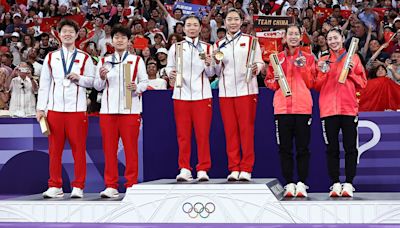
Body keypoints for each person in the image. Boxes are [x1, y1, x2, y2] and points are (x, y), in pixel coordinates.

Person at [36, 19, 95, 199]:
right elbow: (44, 84)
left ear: (77, 35)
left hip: (76, 110)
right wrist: (41, 108)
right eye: (64, 31)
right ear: (59, 35)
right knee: (54, 150)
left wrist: (80, 78)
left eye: (71, 31)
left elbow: (93, 82)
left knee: (78, 149)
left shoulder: (85, 57)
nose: (67, 34)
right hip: (54, 110)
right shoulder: (51, 57)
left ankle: (78, 185)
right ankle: (55, 185)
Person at [94, 25, 148, 198]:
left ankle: (131, 184)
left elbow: (145, 82)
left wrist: (137, 87)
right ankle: (111, 185)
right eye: (116, 37)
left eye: (123, 38)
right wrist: (102, 78)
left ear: (128, 41)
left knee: (131, 149)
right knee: (109, 149)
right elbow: (97, 86)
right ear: (112, 40)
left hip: (130, 110)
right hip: (108, 111)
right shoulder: (104, 61)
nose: (119, 40)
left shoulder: (136, 60)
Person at [315, 28, 367, 197]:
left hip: (348, 108)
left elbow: (363, 83)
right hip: (328, 110)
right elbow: (315, 85)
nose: (333, 41)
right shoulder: (323, 60)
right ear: (326, 41)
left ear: (343, 38)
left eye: (335, 37)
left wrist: (351, 72)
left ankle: (349, 183)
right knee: (332, 148)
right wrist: (322, 73)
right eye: (329, 38)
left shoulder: (353, 58)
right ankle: (335, 183)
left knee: (350, 148)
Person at [213, 8, 264, 181]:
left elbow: (260, 62)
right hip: (226, 92)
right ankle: (234, 168)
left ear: (241, 22)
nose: (233, 22)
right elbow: (216, 71)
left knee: (246, 130)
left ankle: (246, 168)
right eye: (230, 19)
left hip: (247, 90)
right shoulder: (218, 45)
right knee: (230, 131)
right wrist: (216, 62)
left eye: (236, 19)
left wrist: (258, 68)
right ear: (224, 22)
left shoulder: (251, 41)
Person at [265, 25, 316, 198]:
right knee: (284, 148)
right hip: (282, 109)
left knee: (303, 148)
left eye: (296, 34)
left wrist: (304, 68)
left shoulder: (308, 58)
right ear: (284, 37)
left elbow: (311, 83)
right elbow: (270, 82)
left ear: (301, 37)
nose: (293, 37)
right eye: (290, 34)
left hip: (302, 108)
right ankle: (288, 183)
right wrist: (275, 80)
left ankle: (301, 183)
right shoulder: (276, 58)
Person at [166, 15, 214, 182]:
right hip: (181, 95)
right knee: (183, 135)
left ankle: (202, 168)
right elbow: (169, 67)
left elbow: (211, 73)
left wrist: (209, 63)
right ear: (184, 28)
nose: (192, 28)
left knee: (202, 134)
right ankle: (185, 168)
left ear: (201, 28)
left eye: (195, 25)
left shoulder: (208, 48)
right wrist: (169, 73)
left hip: (202, 95)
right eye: (189, 25)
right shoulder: (176, 47)